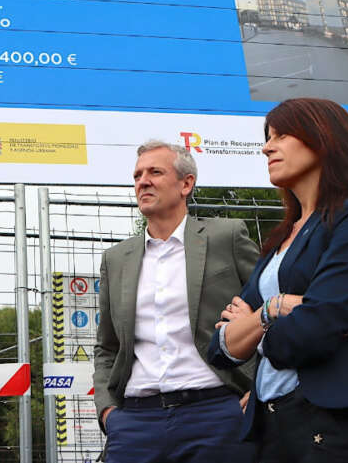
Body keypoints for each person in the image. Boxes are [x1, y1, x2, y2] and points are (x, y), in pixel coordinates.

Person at [207, 97, 348, 462]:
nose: (267, 146)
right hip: (273, 426)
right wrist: (276, 308)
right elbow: (219, 349)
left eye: (282, 135)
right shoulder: (280, 239)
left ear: (323, 137)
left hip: (338, 426)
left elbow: (314, 331)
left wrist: (255, 328)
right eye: (268, 137)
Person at [93, 140, 259, 463]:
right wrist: (108, 412)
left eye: (155, 172)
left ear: (186, 184)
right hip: (135, 424)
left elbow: (270, 313)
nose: (143, 181)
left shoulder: (227, 236)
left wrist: (261, 387)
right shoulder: (116, 259)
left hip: (217, 414)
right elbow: (106, 346)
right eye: (138, 174)